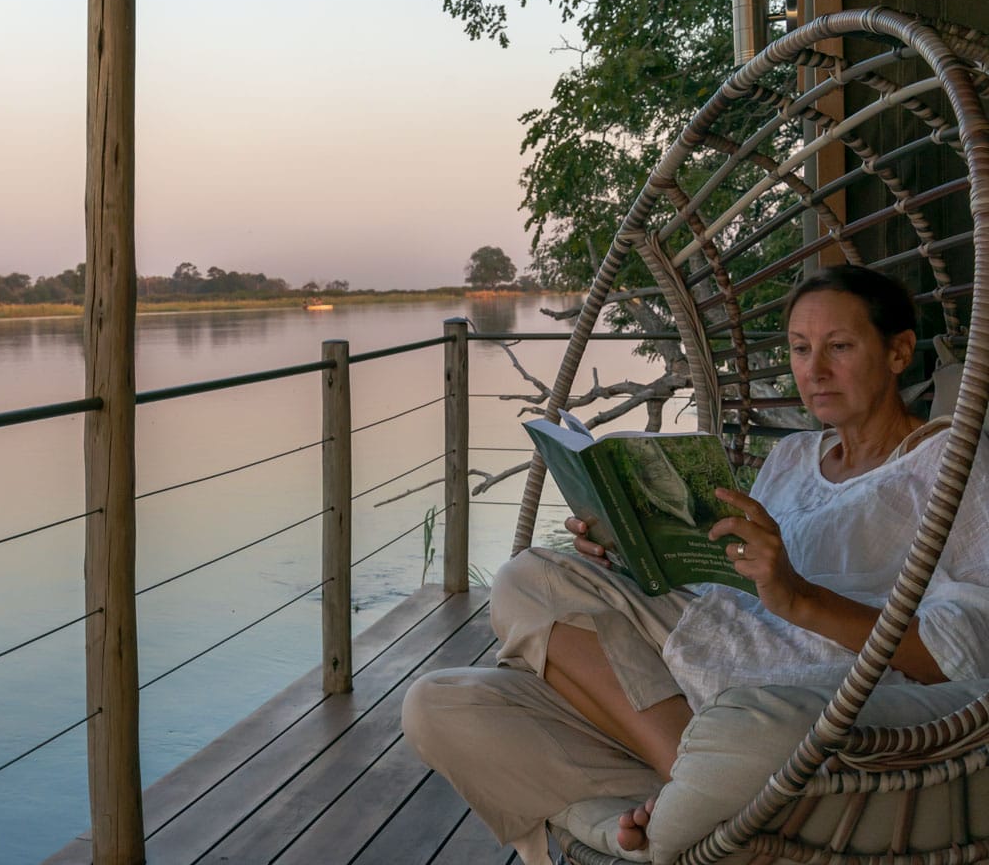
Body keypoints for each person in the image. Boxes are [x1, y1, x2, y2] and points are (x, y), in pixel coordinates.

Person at [401, 265, 989, 863]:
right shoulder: (791, 456)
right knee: (438, 704)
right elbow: (722, 582)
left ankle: (669, 791)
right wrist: (628, 560)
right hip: (704, 658)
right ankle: (673, 798)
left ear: (899, 351)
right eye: (800, 348)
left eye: (840, 346)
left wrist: (797, 598)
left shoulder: (951, 464)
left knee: (527, 578)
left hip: (792, 683)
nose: (814, 370)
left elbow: (964, 649)